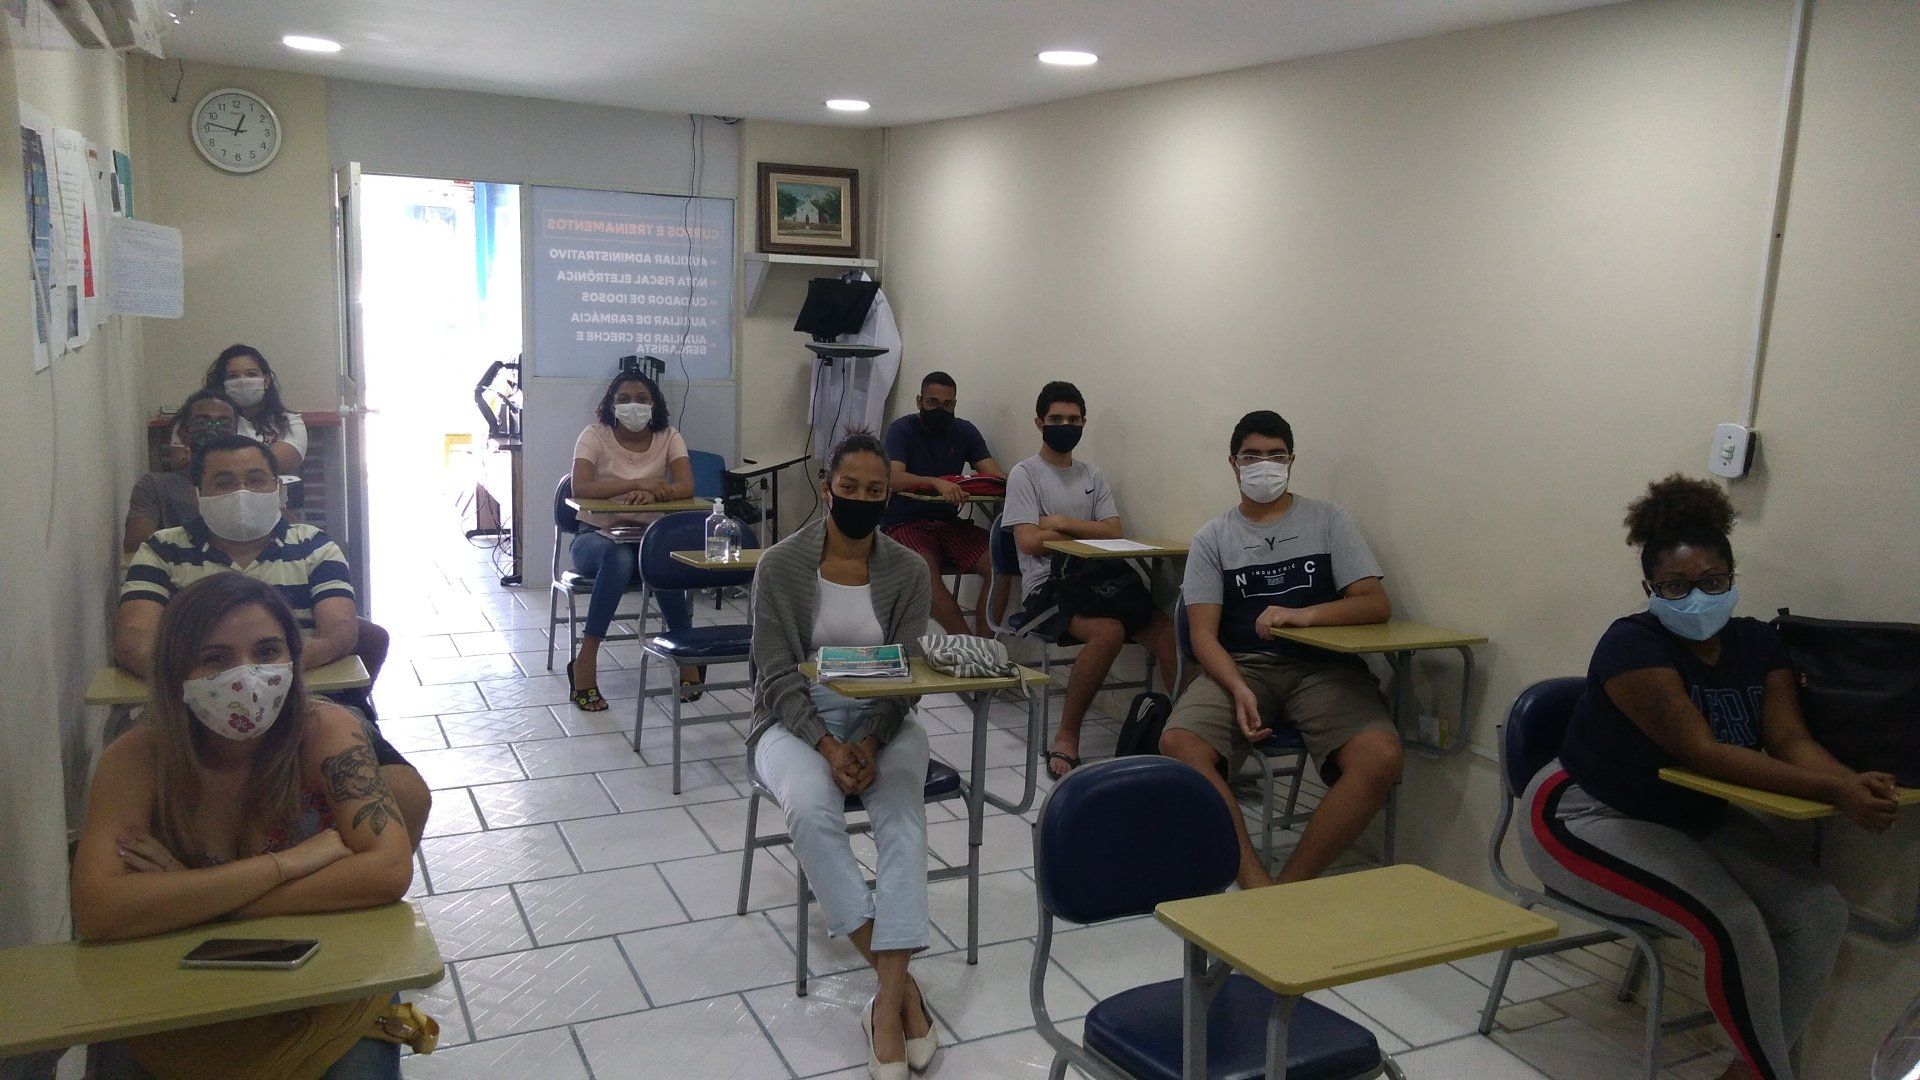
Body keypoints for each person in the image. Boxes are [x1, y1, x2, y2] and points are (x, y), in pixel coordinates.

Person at [1521, 475, 1893, 1080]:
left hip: (1687, 813)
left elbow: (1789, 740)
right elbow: (1704, 753)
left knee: (1819, 912)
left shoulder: (1758, 642)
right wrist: (1835, 791)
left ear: (1732, 577)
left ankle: (1747, 1073)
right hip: (1585, 814)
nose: (1697, 597)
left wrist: (1852, 781)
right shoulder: (1631, 645)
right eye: (1676, 586)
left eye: (1713, 581)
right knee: (1730, 926)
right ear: (1650, 590)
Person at [72, 574, 416, 1078]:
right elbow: (100, 911)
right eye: (215, 659)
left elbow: (388, 870)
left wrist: (190, 900)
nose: (246, 675)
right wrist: (289, 864)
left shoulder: (325, 731)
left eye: (268, 651)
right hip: (179, 998)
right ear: (174, 670)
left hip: (329, 986)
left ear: (294, 658)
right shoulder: (136, 759)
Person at [117, 434, 428, 848]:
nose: (242, 492)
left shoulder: (315, 546)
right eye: (224, 482)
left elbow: (340, 631)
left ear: (278, 488)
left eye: (256, 479)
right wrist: (209, 679)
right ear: (197, 494)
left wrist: (269, 673)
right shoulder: (162, 551)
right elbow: (133, 638)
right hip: (193, 706)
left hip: (307, 702)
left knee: (405, 793)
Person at [750, 432, 938, 1080]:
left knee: (903, 820)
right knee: (810, 811)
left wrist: (872, 740)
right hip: (795, 719)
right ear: (826, 486)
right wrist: (828, 745)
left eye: (874, 490)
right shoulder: (781, 565)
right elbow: (775, 674)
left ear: (888, 496)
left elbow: (909, 675)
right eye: (849, 486)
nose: (861, 498)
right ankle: (899, 994)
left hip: (886, 719)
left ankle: (884, 1006)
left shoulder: (909, 571)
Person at [1159, 411, 1401, 889]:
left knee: (1381, 756)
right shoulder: (1213, 537)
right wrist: (1237, 688)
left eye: (1276, 455)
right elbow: (1203, 635)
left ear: (1291, 461)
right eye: (1252, 456)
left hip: (1325, 670)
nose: (1264, 465)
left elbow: (1375, 604)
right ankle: (1255, 884)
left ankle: (1287, 890)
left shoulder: (1328, 520)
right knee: (1179, 744)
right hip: (1243, 667)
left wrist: (1303, 615)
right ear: (1233, 463)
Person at [1003, 380, 1178, 779]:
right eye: (1056, 419)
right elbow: (1029, 542)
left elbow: (1113, 531)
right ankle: (1067, 736)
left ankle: (1184, 738)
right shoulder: (1025, 474)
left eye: (1074, 419)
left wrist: (1061, 523)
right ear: (1039, 423)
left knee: (1169, 632)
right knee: (1109, 632)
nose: (1066, 426)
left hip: (1100, 580)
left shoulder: (1092, 474)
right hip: (1048, 588)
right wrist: (1086, 531)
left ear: (1084, 422)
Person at [566, 370, 700, 710]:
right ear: (611, 405)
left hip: (647, 539)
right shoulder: (594, 435)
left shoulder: (669, 436)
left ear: (654, 405)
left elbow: (686, 486)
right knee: (619, 558)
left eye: (642, 399)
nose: (633, 406)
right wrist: (636, 486)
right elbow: (580, 487)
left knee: (666, 560)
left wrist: (657, 493)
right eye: (624, 399)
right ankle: (586, 658)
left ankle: (685, 652)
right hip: (594, 538)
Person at [880, 370, 1005, 636]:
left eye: (947, 404)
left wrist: (1021, 481)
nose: (940, 409)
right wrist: (935, 483)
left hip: (949, 523)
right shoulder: (902, 429)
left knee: (1001, 562)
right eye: (932, 403)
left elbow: (992, 473)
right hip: (905, 523)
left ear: (955, 404)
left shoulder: (964, 430)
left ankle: (987, 648)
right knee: (924, 573)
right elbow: (893, 477)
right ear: (919, 401)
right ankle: (967, 647)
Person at [124, 389, 240, 553]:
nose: (213, 429)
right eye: (201, 423)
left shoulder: (250, 487)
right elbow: (137, 547)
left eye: (225, 424)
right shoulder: (155, 486)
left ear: (236, 434)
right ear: (183, 434)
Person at [199, 344, 307, 473]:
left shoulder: (290, 422)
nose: (243, 381)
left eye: (251, 374)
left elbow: (277, 464)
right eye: (233, 376)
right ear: (222, 384)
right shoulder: (208, 422)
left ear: (266, 381)